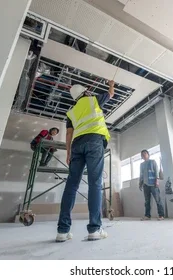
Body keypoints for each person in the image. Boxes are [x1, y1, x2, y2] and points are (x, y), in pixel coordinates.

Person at [56, 81, 114, 242]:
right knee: (94, 183)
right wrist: (111, 84)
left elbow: (68, 135)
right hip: (95, 141)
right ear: (85, 92)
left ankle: (62, 231)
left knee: (71, 186)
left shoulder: (71, 112)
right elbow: (111, 94)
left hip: (76, 146)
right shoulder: (94, 99)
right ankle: (95, 229)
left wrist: (68, 153)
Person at [139, 149, 165, 221]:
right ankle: (147, 216)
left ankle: (161, 215)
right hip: (145, 185)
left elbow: (156, 171)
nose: (143, 155)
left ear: (148, 154)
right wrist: (140, 184)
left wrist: (157, 181)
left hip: (153, 184)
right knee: (147, 201)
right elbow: (141, 175)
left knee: (158, 200)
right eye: (142, 154)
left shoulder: (153, 162)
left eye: (145, 153)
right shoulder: (141, 165)